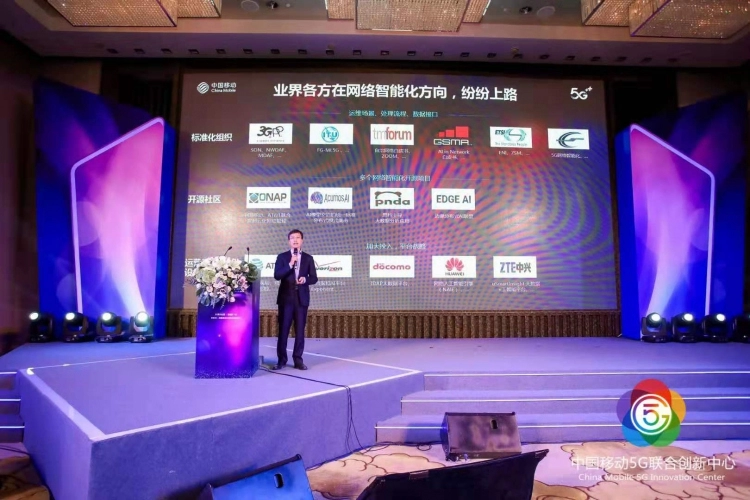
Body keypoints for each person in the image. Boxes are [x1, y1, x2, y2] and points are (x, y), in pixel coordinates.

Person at [272, 229, 317, 370]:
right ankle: (281, 360)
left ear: (302, 240)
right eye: (292, 238)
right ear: (289, 241)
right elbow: (277, 275)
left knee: (300, 331)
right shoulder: (282, 257)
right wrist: (290, 264)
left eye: (298, 237)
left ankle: (298, 360)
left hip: (301, 299)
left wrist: (305, 279)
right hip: (286, 299)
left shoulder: (308, 258)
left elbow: (314, 278)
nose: (295, 240)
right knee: (283, 331)